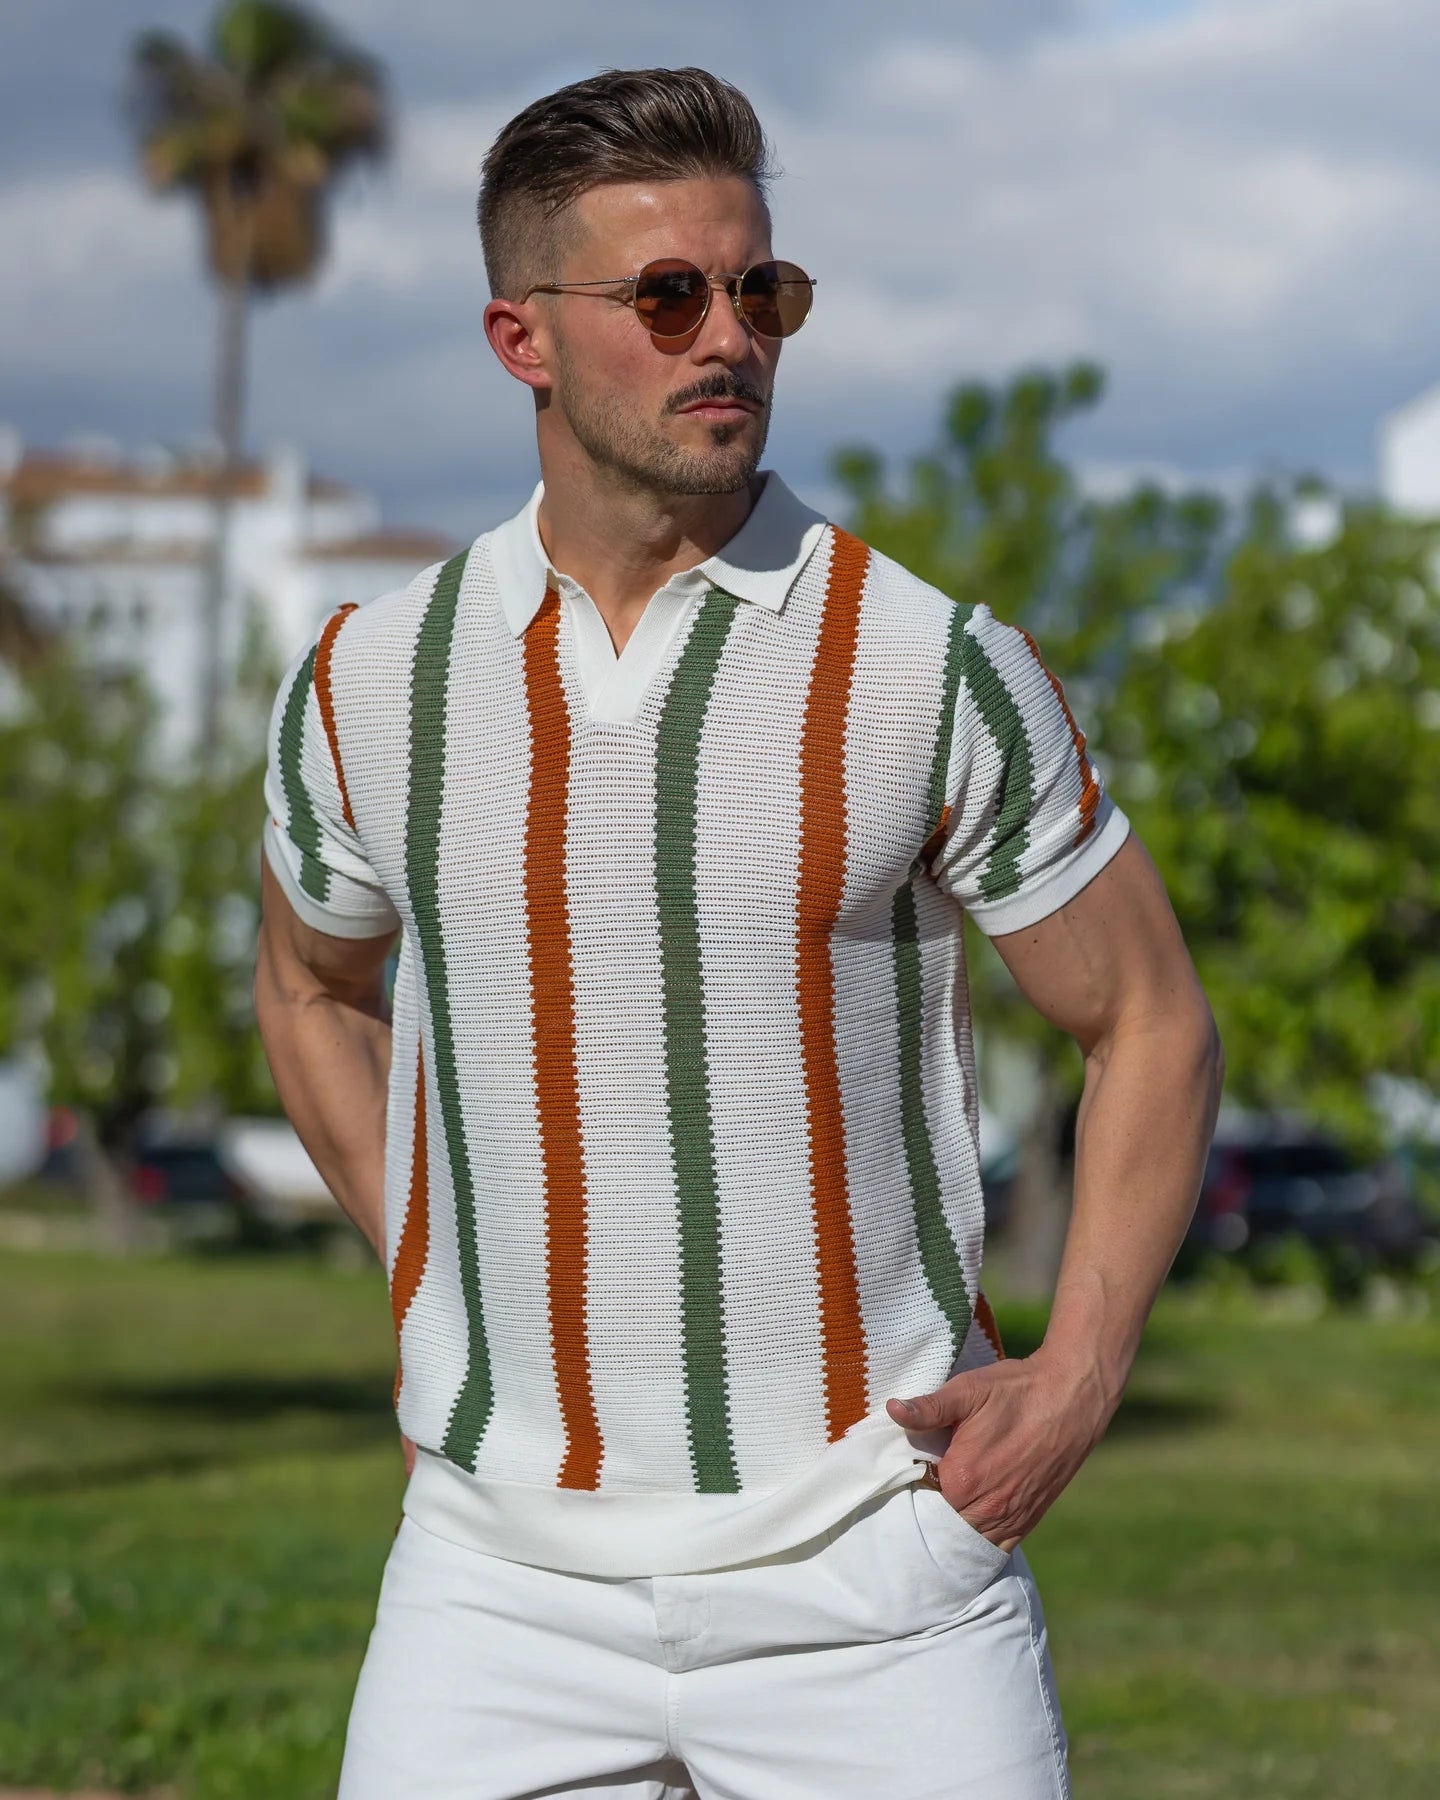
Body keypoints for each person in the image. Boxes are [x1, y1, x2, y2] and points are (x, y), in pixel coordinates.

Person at [253, 64, 1223, 1800]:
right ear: (521, 338)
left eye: (762, 290)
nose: (731, 338)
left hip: (877, 1578)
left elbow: (1150, 1017)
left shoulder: (931, 665)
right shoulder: (369, 682)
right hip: (495, 1590)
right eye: (667, 296)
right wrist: (457, 1275)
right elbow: (310, 991)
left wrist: (1079, 1378)